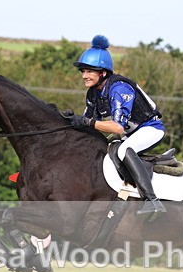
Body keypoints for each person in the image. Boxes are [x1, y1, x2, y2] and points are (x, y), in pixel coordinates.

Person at [69, 35, 167, 218]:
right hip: (132, 132)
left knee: (124, 150)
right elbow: (87, 121)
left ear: (103, 73)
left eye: (89, 71)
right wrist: (69, 122)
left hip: (150, 128)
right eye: (83, 71)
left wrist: (88, 123)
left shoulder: (119, 88)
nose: (84, 75)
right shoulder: (93, 93)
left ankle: (153, 201)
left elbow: (117, 128)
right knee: (109, 150)